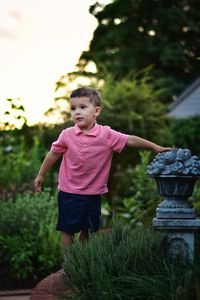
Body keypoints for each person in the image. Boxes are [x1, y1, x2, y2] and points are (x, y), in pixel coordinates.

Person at [34, 87, 172, 248]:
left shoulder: (106, 134)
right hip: (69, 192)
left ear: (97, 111)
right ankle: (69, 264)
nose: (77, 112)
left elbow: (130, 140)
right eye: (73, 108)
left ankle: (82, 259)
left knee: (88, 229)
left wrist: (155, 147)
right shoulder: (67, 134)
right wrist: (41, 175)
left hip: (93, 193)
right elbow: (53, 154)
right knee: (67, 230)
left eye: (83, 107)